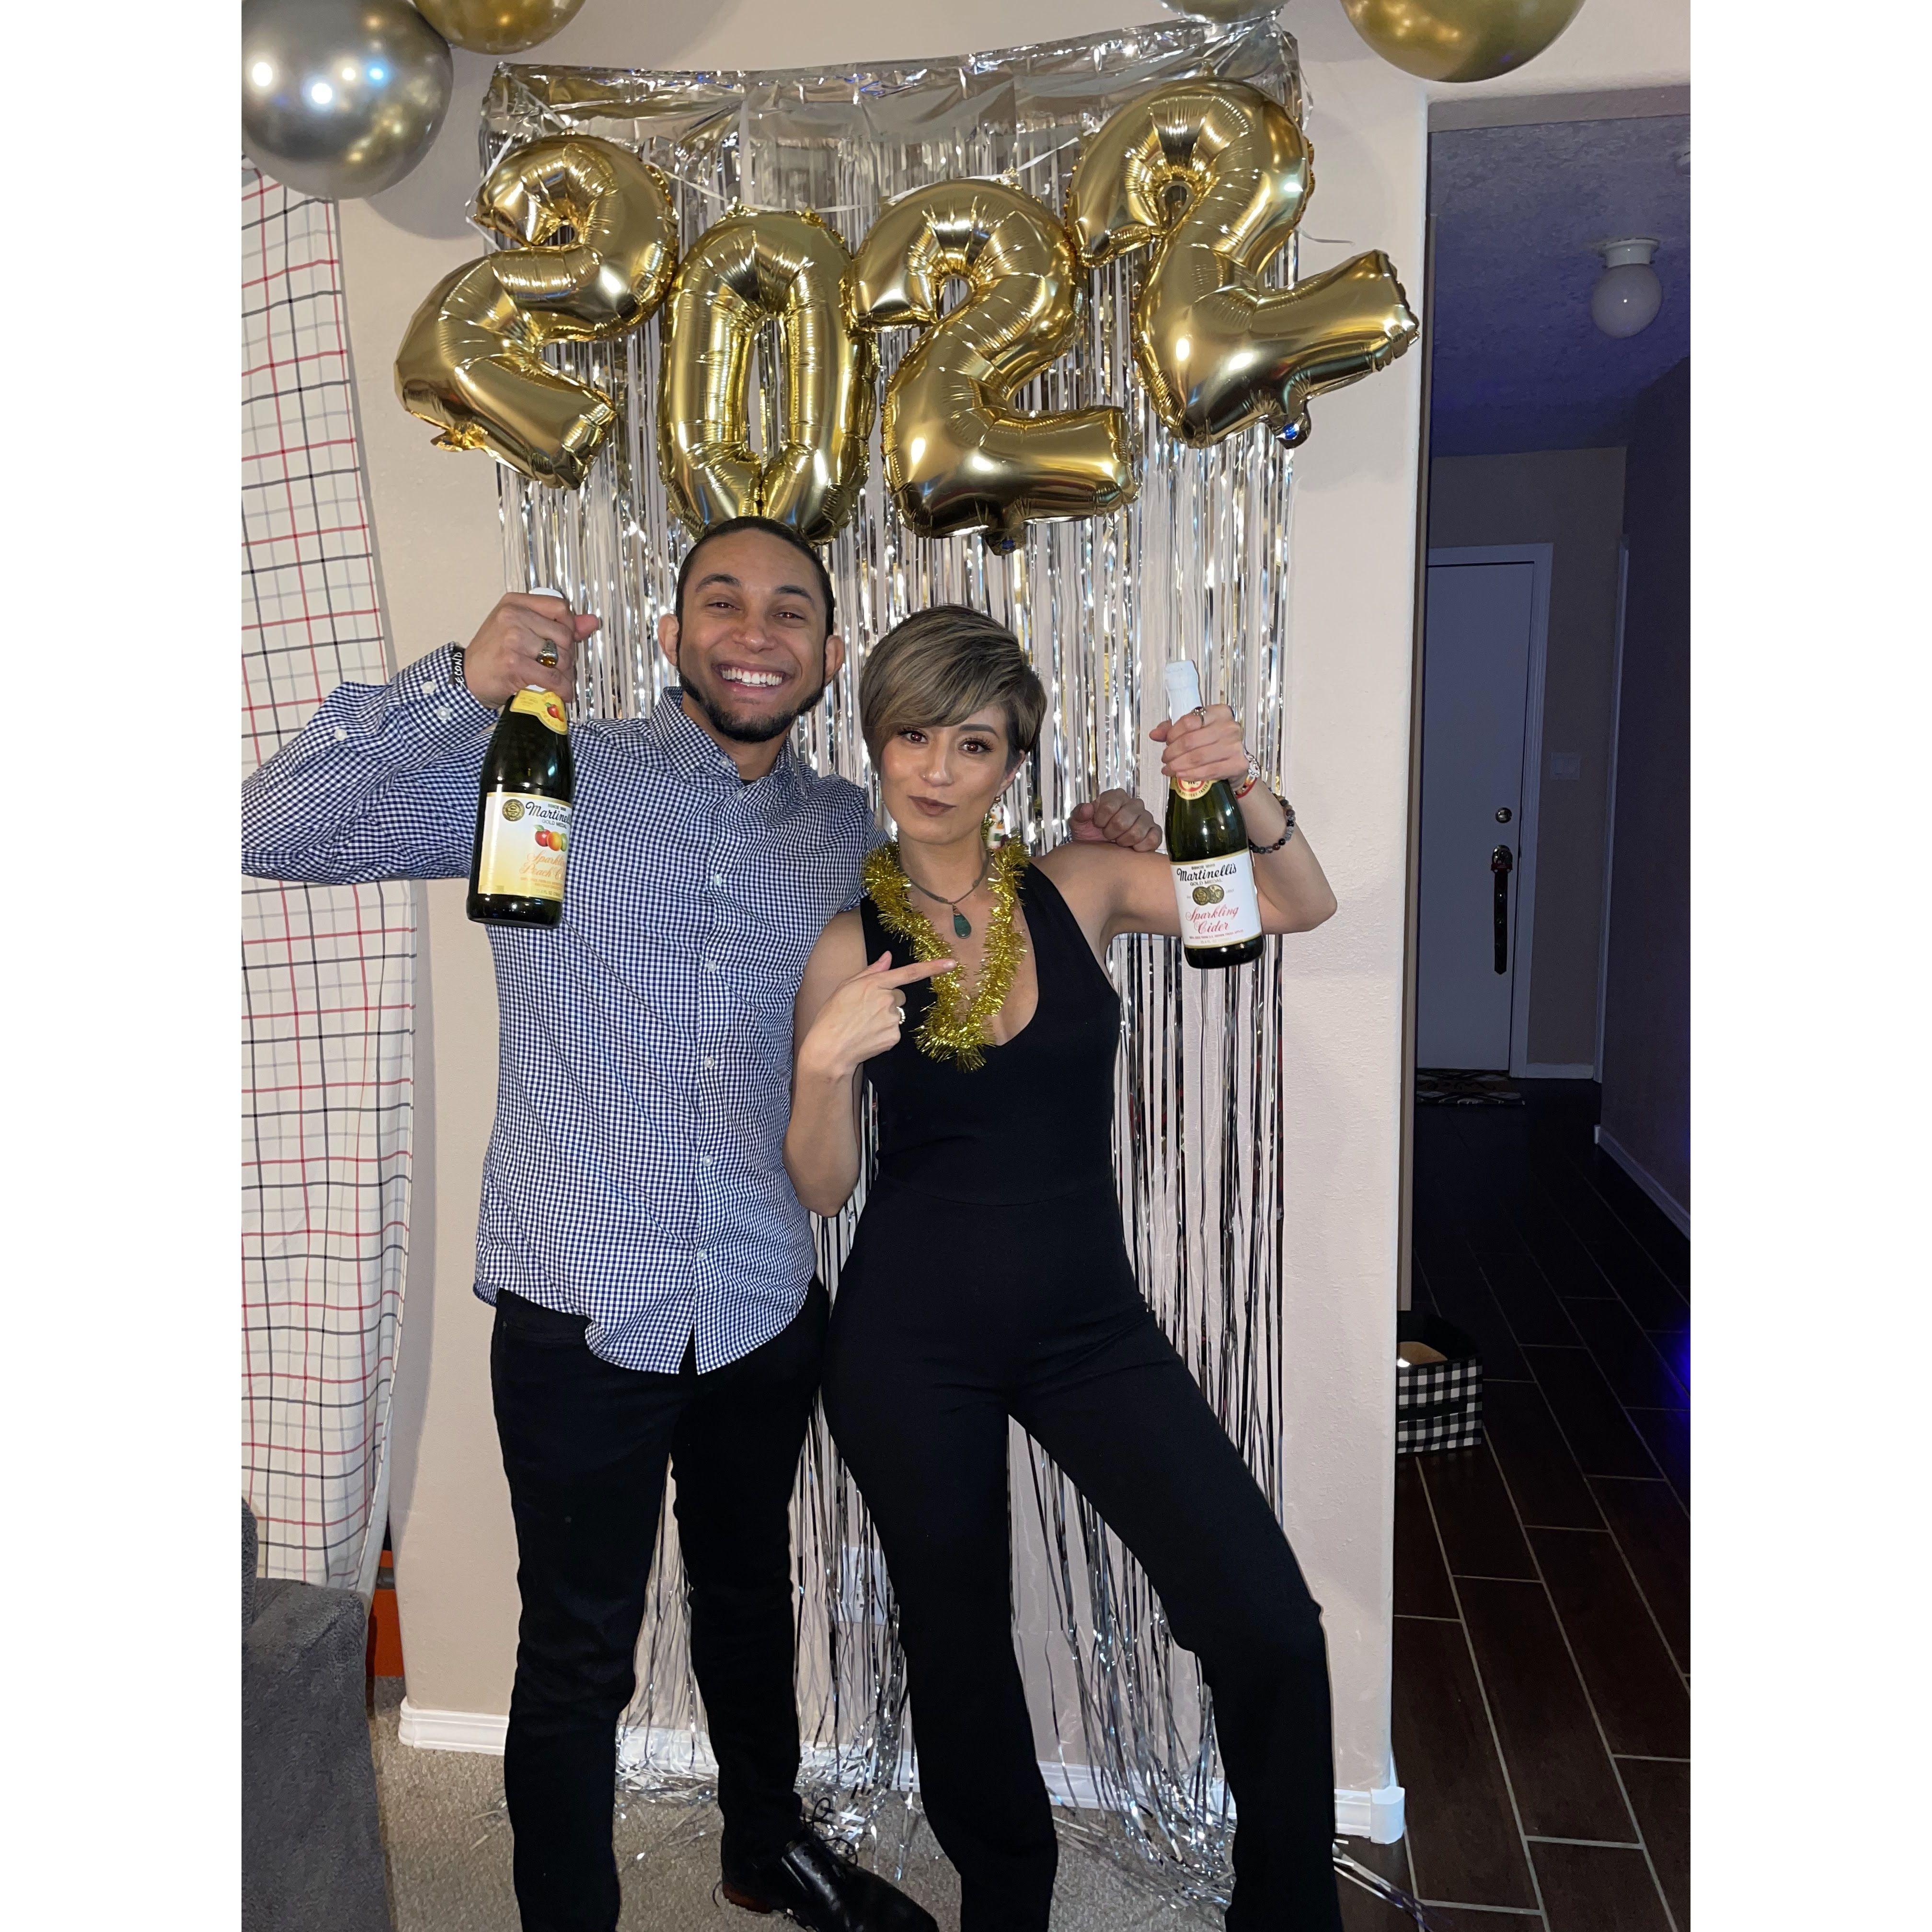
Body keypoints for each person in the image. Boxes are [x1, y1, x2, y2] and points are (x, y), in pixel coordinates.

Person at [239, 520, 1161, 1932]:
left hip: (758, 1296)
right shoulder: (545, 773)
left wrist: (1103, 838)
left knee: (748, 1598)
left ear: (829, 658)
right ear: (672, 637)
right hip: (578, 1294)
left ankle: (763, 1849)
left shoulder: (850, 835)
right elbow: (274, 830)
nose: (756, 630)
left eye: (791, 610)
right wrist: (457, 684)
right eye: (722, 601)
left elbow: (984, 898)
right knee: (577, 1654)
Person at [785, 605, 1344, 1932]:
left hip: (1089, 1329)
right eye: (912, 736)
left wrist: (1238, 788)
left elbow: (1293, 904)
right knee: (960, 1648)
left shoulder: (1084, 882)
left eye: (971, 743)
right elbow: (822, 1186)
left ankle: (1287, 1914)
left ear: (1011, 763)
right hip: (909, 1348)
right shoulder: (845, 944)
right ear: (877, 742)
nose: (936, 769)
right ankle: (1010, 1905)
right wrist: (820, 1065)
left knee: (1266, 1619)